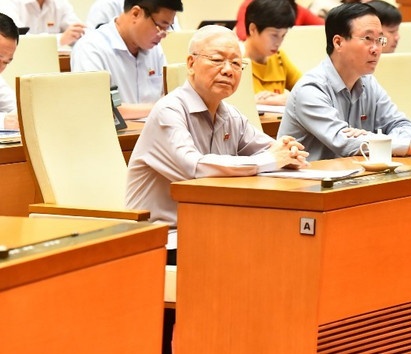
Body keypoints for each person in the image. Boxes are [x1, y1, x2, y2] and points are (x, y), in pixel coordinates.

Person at [125, 25, 308, 249]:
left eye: (236, 63)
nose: (228, 70)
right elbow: (194, 167)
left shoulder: (230, 115)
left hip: (211, 228)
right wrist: (272, 159)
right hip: (162, 237)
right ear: (191, 64)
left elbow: (274, 151)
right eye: (217, 60)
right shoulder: (169, 110)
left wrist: (290, 154)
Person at [278, 2, 411, 161]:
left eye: (380, 40)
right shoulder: (311, 89)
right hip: (308, 188)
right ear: (338, 42)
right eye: (368, 39)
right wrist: (409, 146)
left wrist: (370, 138)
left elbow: (403, 125)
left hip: (353, 178)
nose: (376, 49)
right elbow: (344, 142)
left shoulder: (368, 82)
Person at [71, 0, 182, 120]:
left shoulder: (154, 49)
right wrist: (156, 107)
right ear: (136, 14)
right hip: (114, 139)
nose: (163, 35)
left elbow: (166, 96)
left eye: (168, 28)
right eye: (161, 26)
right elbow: (97, 107)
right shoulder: (91, 48)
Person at [242, 0, 300, 105]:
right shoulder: (234, 60)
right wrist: (260, 102)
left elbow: (308, 89)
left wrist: (289, 97)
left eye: (283, 35)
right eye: (274, 35)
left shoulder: (279, 57)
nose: (279, 42)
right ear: (253, 29)